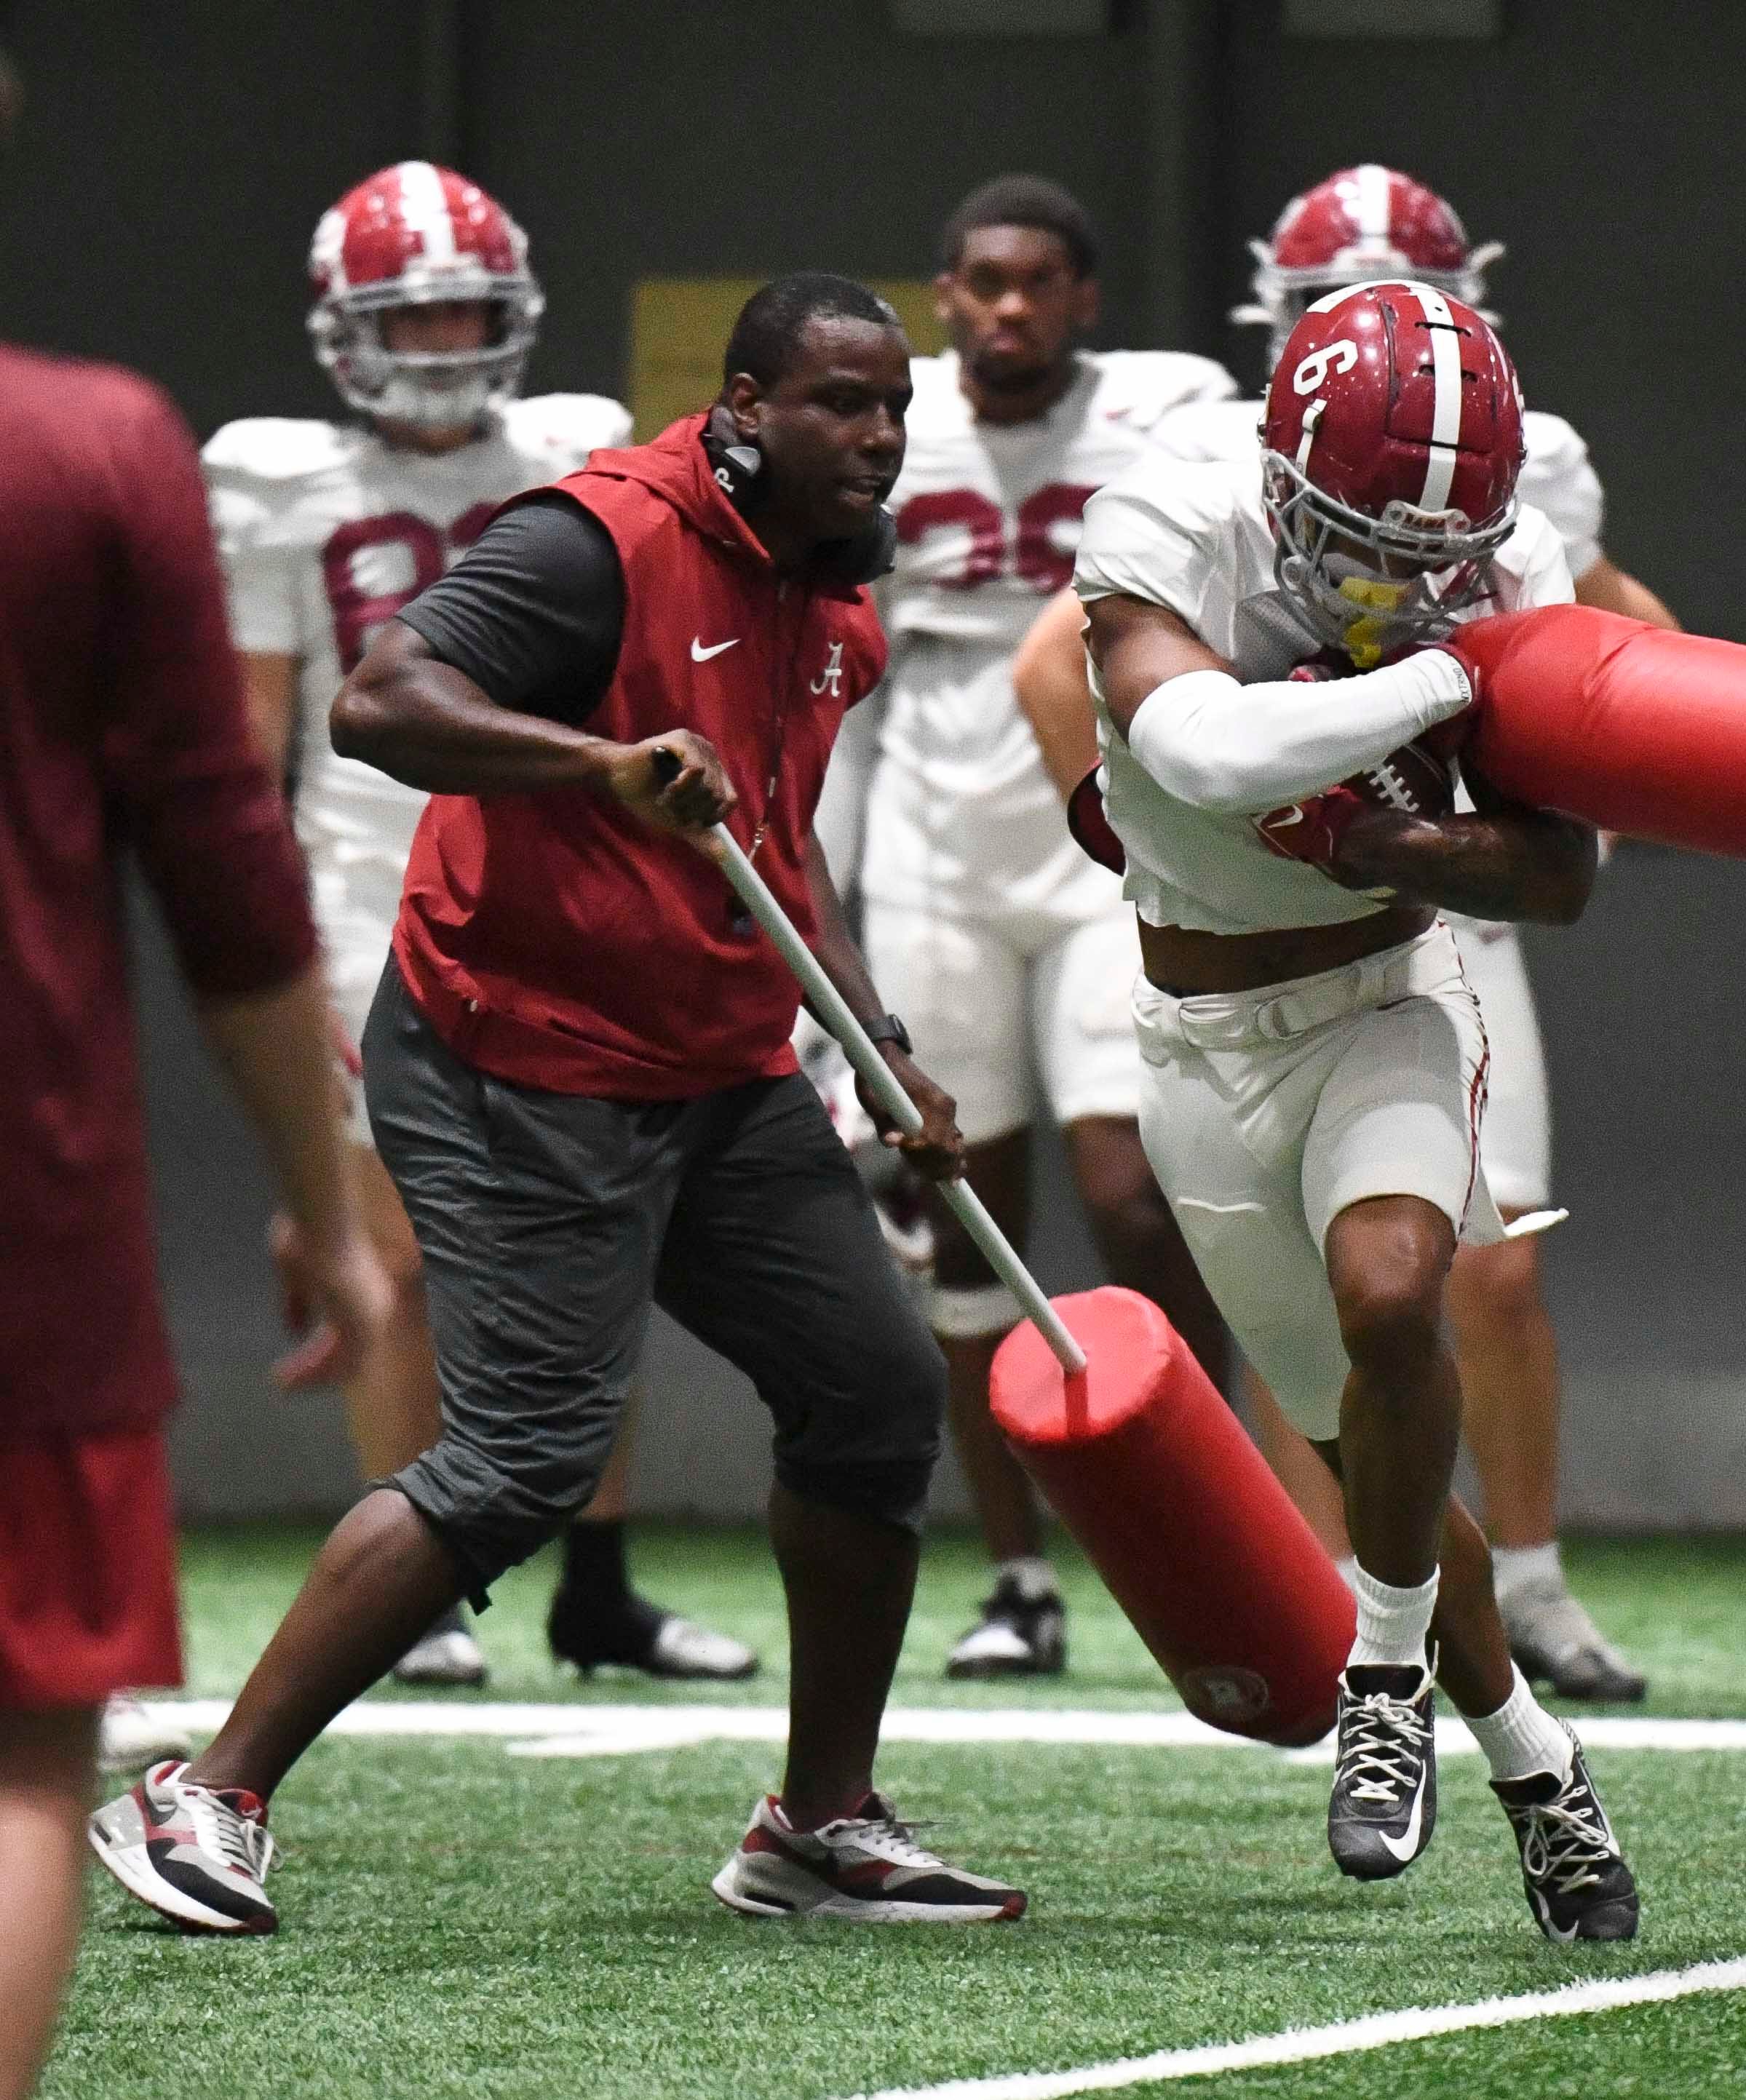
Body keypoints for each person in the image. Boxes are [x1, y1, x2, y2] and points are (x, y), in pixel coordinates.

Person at [88, 275, 1023, 1936]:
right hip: (515, 1054)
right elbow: (380, 702)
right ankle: (201, 1792)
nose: (878, 438)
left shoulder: (831, 599)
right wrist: (597, 761)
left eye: (895, 410)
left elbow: (782, 855)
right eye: (838, 405)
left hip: (722, 1068)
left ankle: (817, 1825)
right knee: (525, 1451)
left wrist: (880, 1049)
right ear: (741, 408)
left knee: (875, 1399)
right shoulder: (593, 541)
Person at [1013, 163, 1678, 1701]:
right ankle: (1353, 1588)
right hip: (1244, 901)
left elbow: (1611, 650)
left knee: (1476, 1275)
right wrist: (1117, 807)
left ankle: (1527, 1579)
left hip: (1420, 907)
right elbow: (1092, 683)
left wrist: (1459, 812)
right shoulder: (1192, 482)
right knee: (1314, 1323)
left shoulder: (1523, 485)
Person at [1070, 278, 1638, 1939]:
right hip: (1197, 1040)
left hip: (1390, 995)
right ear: (1278, 468)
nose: (1410, 582)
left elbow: (1558, 875)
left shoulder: (1509, 560)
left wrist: (1395, 846)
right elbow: (1216, 753)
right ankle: (1540, 1767)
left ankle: (1384, 1677)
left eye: (1444, 551)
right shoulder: (1165, 518)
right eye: (1368, 540)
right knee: (1362, 1449)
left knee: (1398, 1297)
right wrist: (1448, 686)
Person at [206, 160, 752, 1693]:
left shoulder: (576, 448)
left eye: (465, 313)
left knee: (602, 1234)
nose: (444, 345)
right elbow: (255, 748)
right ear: (343, 325)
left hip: (553, 874)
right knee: (395, 1245)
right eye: (414, 315)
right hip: (363, 885)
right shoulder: (271, 479)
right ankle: (427, 1596)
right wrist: (283, 951)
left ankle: (598, 1587)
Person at [0, 258, 392, 2100]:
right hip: (24, 1218)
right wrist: (328, 1209)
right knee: (13, 1766)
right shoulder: (85, 447)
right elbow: (227, 867)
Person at [847, 173, 1241, 1681]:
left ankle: (1187, 1510)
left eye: (1036, 283)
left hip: (1098, 828)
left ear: (1085, 297)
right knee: (965, 1208)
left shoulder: (1166, 409)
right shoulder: (887, 411)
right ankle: (1017, 1570)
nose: (1007, 308)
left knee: (1134, 1191)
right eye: (980, 282)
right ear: (945, 293)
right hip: (934, 831)